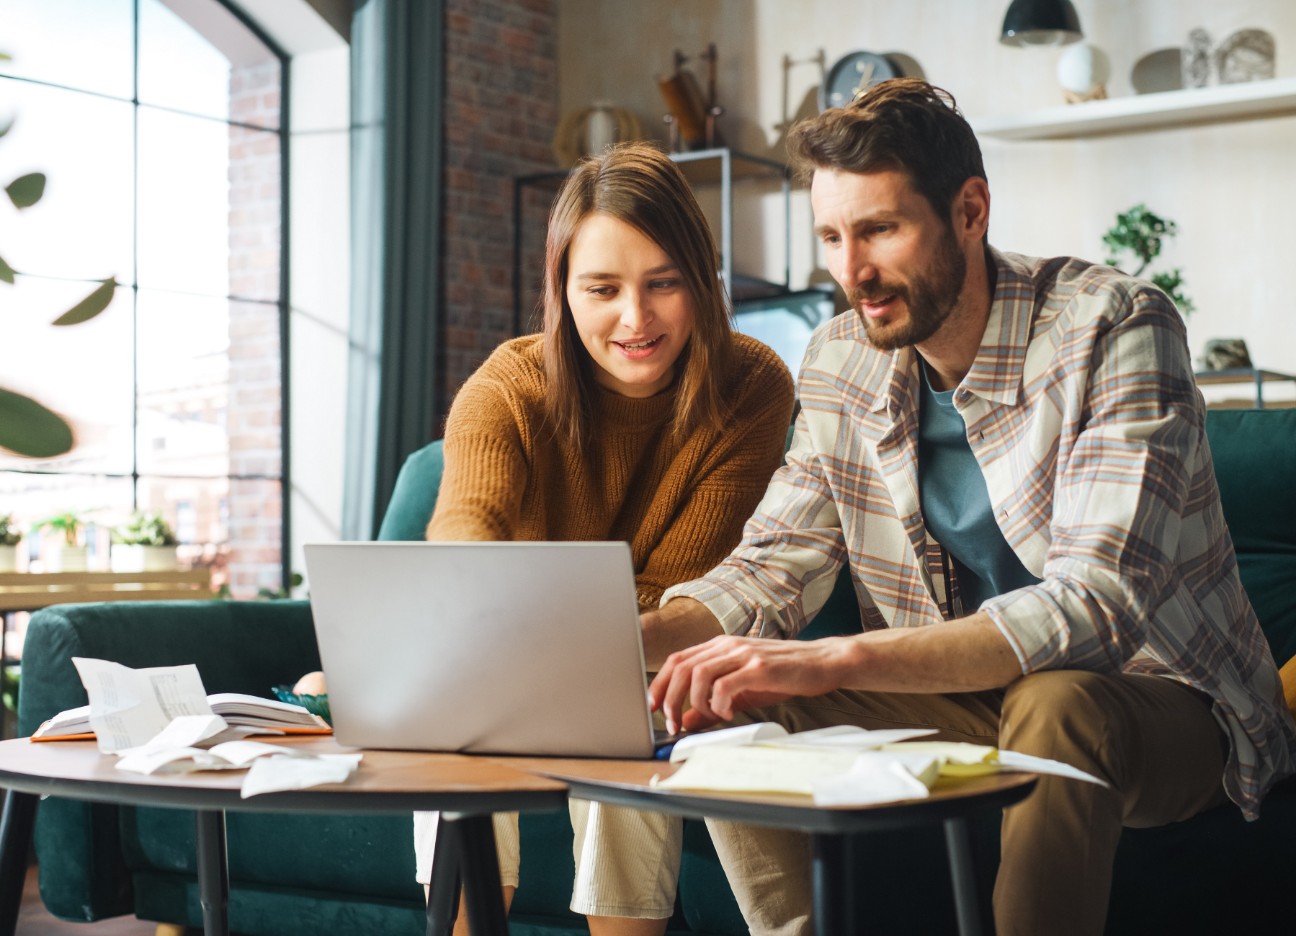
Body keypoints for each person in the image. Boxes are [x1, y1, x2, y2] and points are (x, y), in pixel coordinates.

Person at [644, 79, 1296, 936]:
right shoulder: (840, 359)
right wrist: (617, 644)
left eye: (880, 230)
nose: (853, 272)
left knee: (1059, 703)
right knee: (731, 696)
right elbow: (773, 562)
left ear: (970, 210)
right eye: (833, 237)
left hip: (1163, 701)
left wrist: (837, 659)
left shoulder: (1116, 326)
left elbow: (1095, 609)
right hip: (967, 698)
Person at [414, 141, 794, 936]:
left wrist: (550, 636)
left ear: (702, 280)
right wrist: (484, 615)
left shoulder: (752, 385)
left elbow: (684, 591)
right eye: (602, 288)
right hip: (504, 661)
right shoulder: (511, 386)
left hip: (641, 656)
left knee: (631, 712)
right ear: (562, 291)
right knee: (459, 728)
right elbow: (463, 534)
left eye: (664, 283)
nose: (636, 318)